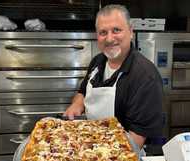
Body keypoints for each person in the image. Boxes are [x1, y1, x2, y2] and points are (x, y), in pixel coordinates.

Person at [63, 4, 163, 149]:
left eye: (116, 30)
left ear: (130, 32)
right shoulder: (98, 61)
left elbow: (135, 143)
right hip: (91, 145)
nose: (109, 39)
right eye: (103, 32)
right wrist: (76, 105)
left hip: (123, 159)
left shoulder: (145, 77)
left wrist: (93, 154)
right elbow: (82, 92)